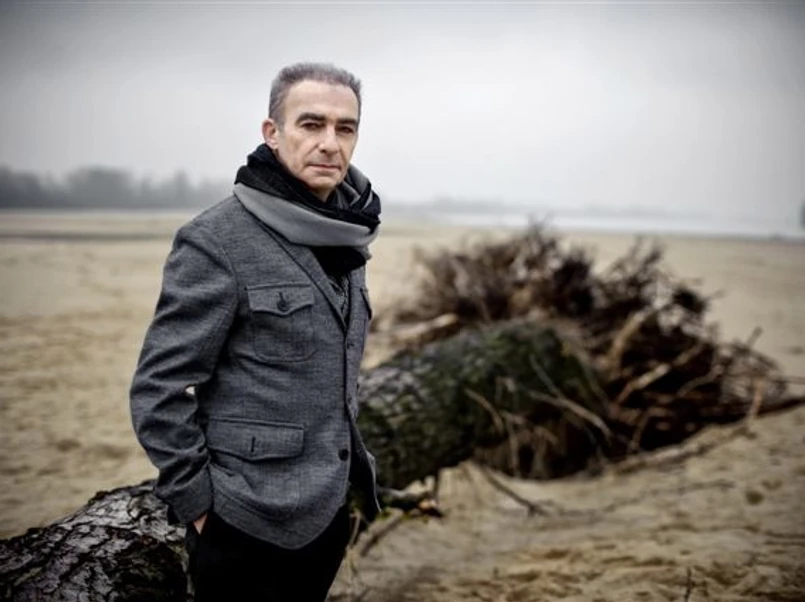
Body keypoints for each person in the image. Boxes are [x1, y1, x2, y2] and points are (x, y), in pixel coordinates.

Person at [129, 62, 381, 602]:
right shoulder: (216, 240)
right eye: (311, 124)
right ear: (272, 132)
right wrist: (200, 507)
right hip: (243, 522)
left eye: (345, 128)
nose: (330, 143)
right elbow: (159, 389)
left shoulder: (347, 233)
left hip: (328, 512)